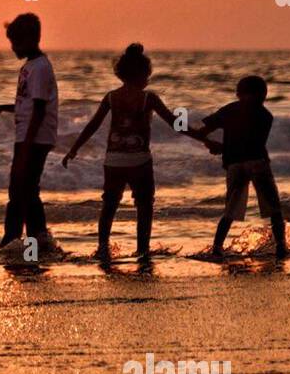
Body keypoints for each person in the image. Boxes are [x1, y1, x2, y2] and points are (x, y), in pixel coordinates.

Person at [61, 43, 202, 259]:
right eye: (148, 74)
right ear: (143, 74)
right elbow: (176, 123)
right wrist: (203, 138)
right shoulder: (149, 98)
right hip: (140, 161)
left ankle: (103, 248)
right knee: (144, 206)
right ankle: (142, 249)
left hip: (113, 161)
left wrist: (74, 149)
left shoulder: (111, 96)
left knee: (109, 205)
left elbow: (93, 125)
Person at [0, 12, 58, 250]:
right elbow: (27, 104)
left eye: (15, 42)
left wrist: (26, 147)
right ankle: (36, 239)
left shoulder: (40, 68)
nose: (12, 48)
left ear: (29, 40)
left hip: (33, 139)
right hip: (27, 137)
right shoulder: (30, 66)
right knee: (25, 190)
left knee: (20, 189)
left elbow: (39, 109)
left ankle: (14, 239)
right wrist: (3, 108)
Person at [188, 74, 288, 258]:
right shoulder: (266, 115)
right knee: (273, 207)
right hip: (258, 163)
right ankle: (281, 245)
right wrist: (219, 147)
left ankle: (217, 247)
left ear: (238, 93)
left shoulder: (229, 110)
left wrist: (213, 144)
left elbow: (203, 131)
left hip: (235, 165)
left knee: (230, 210)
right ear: (263, 95)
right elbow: (253, 145)